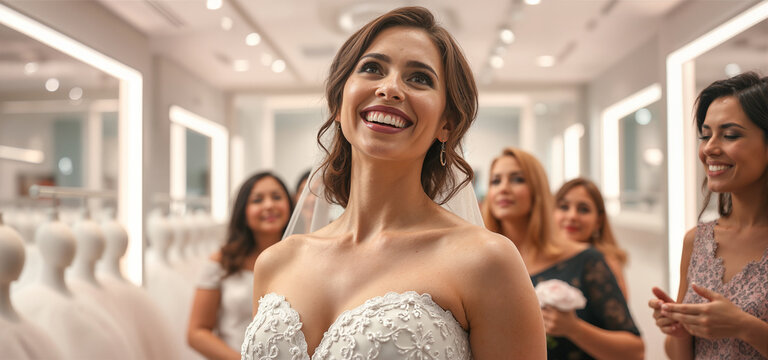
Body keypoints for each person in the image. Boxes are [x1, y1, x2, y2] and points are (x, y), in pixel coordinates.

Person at [240, 7, 546, 359]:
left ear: (446, 123)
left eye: (419, 78)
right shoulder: (276, 262)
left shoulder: (486, 261)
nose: (390, 88)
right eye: (372, 68)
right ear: (339, 101)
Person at [482, 147, 643, 360]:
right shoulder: (483, 266)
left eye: (517, 179)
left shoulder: (585, 260)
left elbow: (635, 351)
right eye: (495, 181)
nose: (503, 188)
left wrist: (573, 328)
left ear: (538, 191)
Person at [649, 72, 768, 359]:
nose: (709, 149)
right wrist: (678, 330)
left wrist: (743, 326)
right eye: (706, 135)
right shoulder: (697, 240)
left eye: (730, 135)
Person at [188, 172, 293, 360]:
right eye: (257, 200)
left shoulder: (298, 260)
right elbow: (197, 333)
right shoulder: (221, 262)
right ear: (243, 211)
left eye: (276, 197)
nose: (269, 205)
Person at [554, 177, 629, 297]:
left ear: (598, 221)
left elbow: (619, 315)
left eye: (583, 210)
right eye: (564, 207)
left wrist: (572, 317)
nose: (572, 216)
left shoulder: (606, 263)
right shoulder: (538, 257)